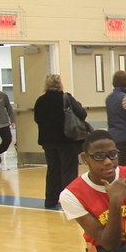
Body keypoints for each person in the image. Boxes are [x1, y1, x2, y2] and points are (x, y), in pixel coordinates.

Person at [34, 74, 88, 209]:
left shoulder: (40, 100)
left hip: (48, 142)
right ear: (60, 84)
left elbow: (37, 119)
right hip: (66, 140)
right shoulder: (66, 98)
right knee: (68, 171)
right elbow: (82, 114)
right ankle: (69, 201)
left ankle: (50, 200)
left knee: (53, 170)